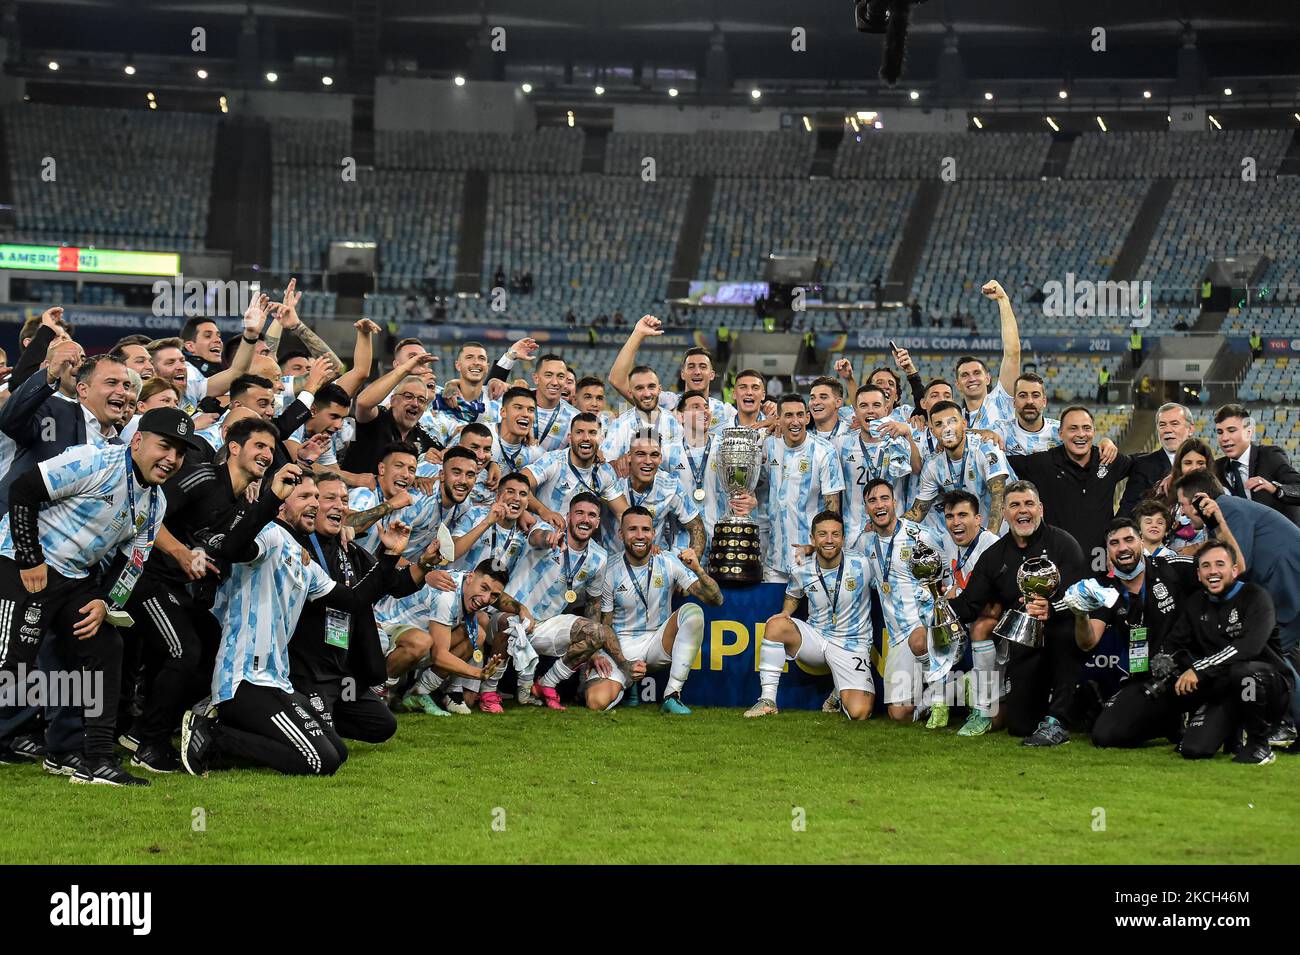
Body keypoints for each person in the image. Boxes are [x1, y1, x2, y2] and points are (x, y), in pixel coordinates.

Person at [0, 408, 201, 785]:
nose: (171, 459)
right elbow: (22, 489)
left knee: (105, 644)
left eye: (179, 453)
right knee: (12, 668)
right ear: (138, 441)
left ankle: (95, 759)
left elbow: (133, 564)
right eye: (165, 446)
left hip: (74, 577)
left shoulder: (155, 504)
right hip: (18, 562)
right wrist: (30, 558)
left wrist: (107, 604)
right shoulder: (94, 459)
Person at [948, 480, 1089, 746]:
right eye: (1014, 505)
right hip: (1023, 642)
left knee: (1065, 633)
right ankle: (1081, 703)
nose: (1022, 511)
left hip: (1062, 633)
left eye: (1028, 504)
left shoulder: (1063, 544)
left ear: (1041, 509)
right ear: (1004, 513)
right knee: (1020, 726)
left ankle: (1058, 720)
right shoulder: (994, 556)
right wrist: (939, 607)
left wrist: (1052, 608)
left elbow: (1080, 595)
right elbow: (970, 604)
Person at [1173, 470, 1300, 734]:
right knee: (1280, 654)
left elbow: (1237, 566)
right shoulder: (1228, 511)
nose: (1183, 514)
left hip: (1286, 583)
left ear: (1199, 499)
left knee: (1277, 654)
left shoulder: (1228, 510)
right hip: (1285, 581)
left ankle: (1285, 722)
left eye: (1184, 505)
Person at [1074, 518, 1199, 749]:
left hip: (1188, 671)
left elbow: (1230, 569)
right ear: (1107, 550)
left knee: (1199, 741)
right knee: (1104, 736)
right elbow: (1087, 643)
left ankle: (1204, 714)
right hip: (1145, 677)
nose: (1122, 548)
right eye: (1114, 543)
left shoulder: (1171, 568)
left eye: (1129, 539)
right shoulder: (1105, 590)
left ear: (1141, 541)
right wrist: (1080, 614)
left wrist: (1217, 522)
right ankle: (1168, 722)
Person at [585, 506, 722, 713]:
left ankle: (672, 695)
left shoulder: (668, 561)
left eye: (645, 529)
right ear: (621, 534)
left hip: (658, 642)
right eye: (632, 529)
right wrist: (624, 665)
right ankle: (628, 684)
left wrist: (698, 570)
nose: (640, 536)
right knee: (596, 702)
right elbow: (604, 625)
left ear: (653, 533)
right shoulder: (609, 569)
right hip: (620, 646)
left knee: (693, 612)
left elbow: (715, 600)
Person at [509, 492, 633, 709]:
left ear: (597, 522)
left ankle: (546, 684)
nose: (585, 519)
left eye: (592, 515)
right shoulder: (548, 530)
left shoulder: (599, 557)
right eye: (580, 513)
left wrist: (593, 651)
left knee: (598, 632)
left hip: (545, 627)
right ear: (568, 516)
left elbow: (594, 604)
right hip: (512, 617)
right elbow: (535, 537)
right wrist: (548, 541)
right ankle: (486, 690)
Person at [749, 510, 876, 719]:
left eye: (835, 534)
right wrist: (785, 612)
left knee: (859, 713)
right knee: (775, 625)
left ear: (843, 539)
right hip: (816, 639)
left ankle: (837, 693)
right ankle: (768, 700)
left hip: (852, 644)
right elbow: (793, 594)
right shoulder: (801, 568)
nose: (829, 540)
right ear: (812, 538)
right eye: (822, 534)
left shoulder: (862, 564)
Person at [860, 479, 947, 723]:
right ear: (866, 508)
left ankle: (940, 696)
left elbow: (946, 572)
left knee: (919, 640)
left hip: (923, 627)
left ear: (894, 502)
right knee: (899, 715)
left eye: (884, 498)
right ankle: (948, 691)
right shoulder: (865, 543)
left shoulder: (919, 535)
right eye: (872, 500)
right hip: (898, 636)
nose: (879, 505)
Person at [1007, 406, 1134, 573]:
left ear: (1094, 432)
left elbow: (1142, 466)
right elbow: (1000, 461)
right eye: (1073, 428)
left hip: (1101, 566)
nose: (1081, 434)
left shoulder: (1107, 460)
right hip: (1057, 567)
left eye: (1086, 428)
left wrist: (1123, 517)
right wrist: (990, 437)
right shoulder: (1043, 463)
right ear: (1060, 434)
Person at [758, 394, 844, 582]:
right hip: (774, 560)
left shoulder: (825, 451)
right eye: (788, 415)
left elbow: (832, 512)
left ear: (807, 417)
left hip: (811, 558)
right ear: (778, 419)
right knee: (775, 612)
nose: (795, 421)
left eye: (799, 415)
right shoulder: (769, 445)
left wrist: (816, 547)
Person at [905, 400, 1010, 537]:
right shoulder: (933, 465)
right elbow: (917, 512)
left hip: (1004, 532)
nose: (946, 429)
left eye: (952, 421)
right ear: (932, 431)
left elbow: (999, 496)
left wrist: (989, 537)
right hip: (970, 536)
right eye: (939, 424)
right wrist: (887, 526)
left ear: (964, 424)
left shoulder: (986, 447)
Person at [835, 383, 917, 552]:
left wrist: (908, 434)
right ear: (855, 412)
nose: (870, 410)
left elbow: (918, 469)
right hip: (853, 540)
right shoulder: (841, 444)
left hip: (895, 537)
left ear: (887, 410)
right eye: (863, 406)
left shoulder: (900, 442)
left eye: (876, 405)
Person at [1212, 403, 1300, 525]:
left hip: (1283, 539)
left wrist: (1275, 489)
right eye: (1220, 432)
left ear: (1249, 432)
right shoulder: (1217, 468)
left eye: (1231, 430)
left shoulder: (1270, 456)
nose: (1224, 438)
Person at [952, 279, 1022, 431]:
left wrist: (1003, 300)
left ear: (988, 378)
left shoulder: (1001, 400)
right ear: (957, 384)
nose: (971, 378)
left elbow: (1013, 352)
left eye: (977, 373)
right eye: (964, 375)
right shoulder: (954, 419)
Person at [1118, 402, 1194, 516]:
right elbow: (1127, 513)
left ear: (1190, 429)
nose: (1168, 430)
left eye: (1174, 424)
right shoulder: (1143, 465)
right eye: (1162, 425)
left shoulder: (1205, 464)